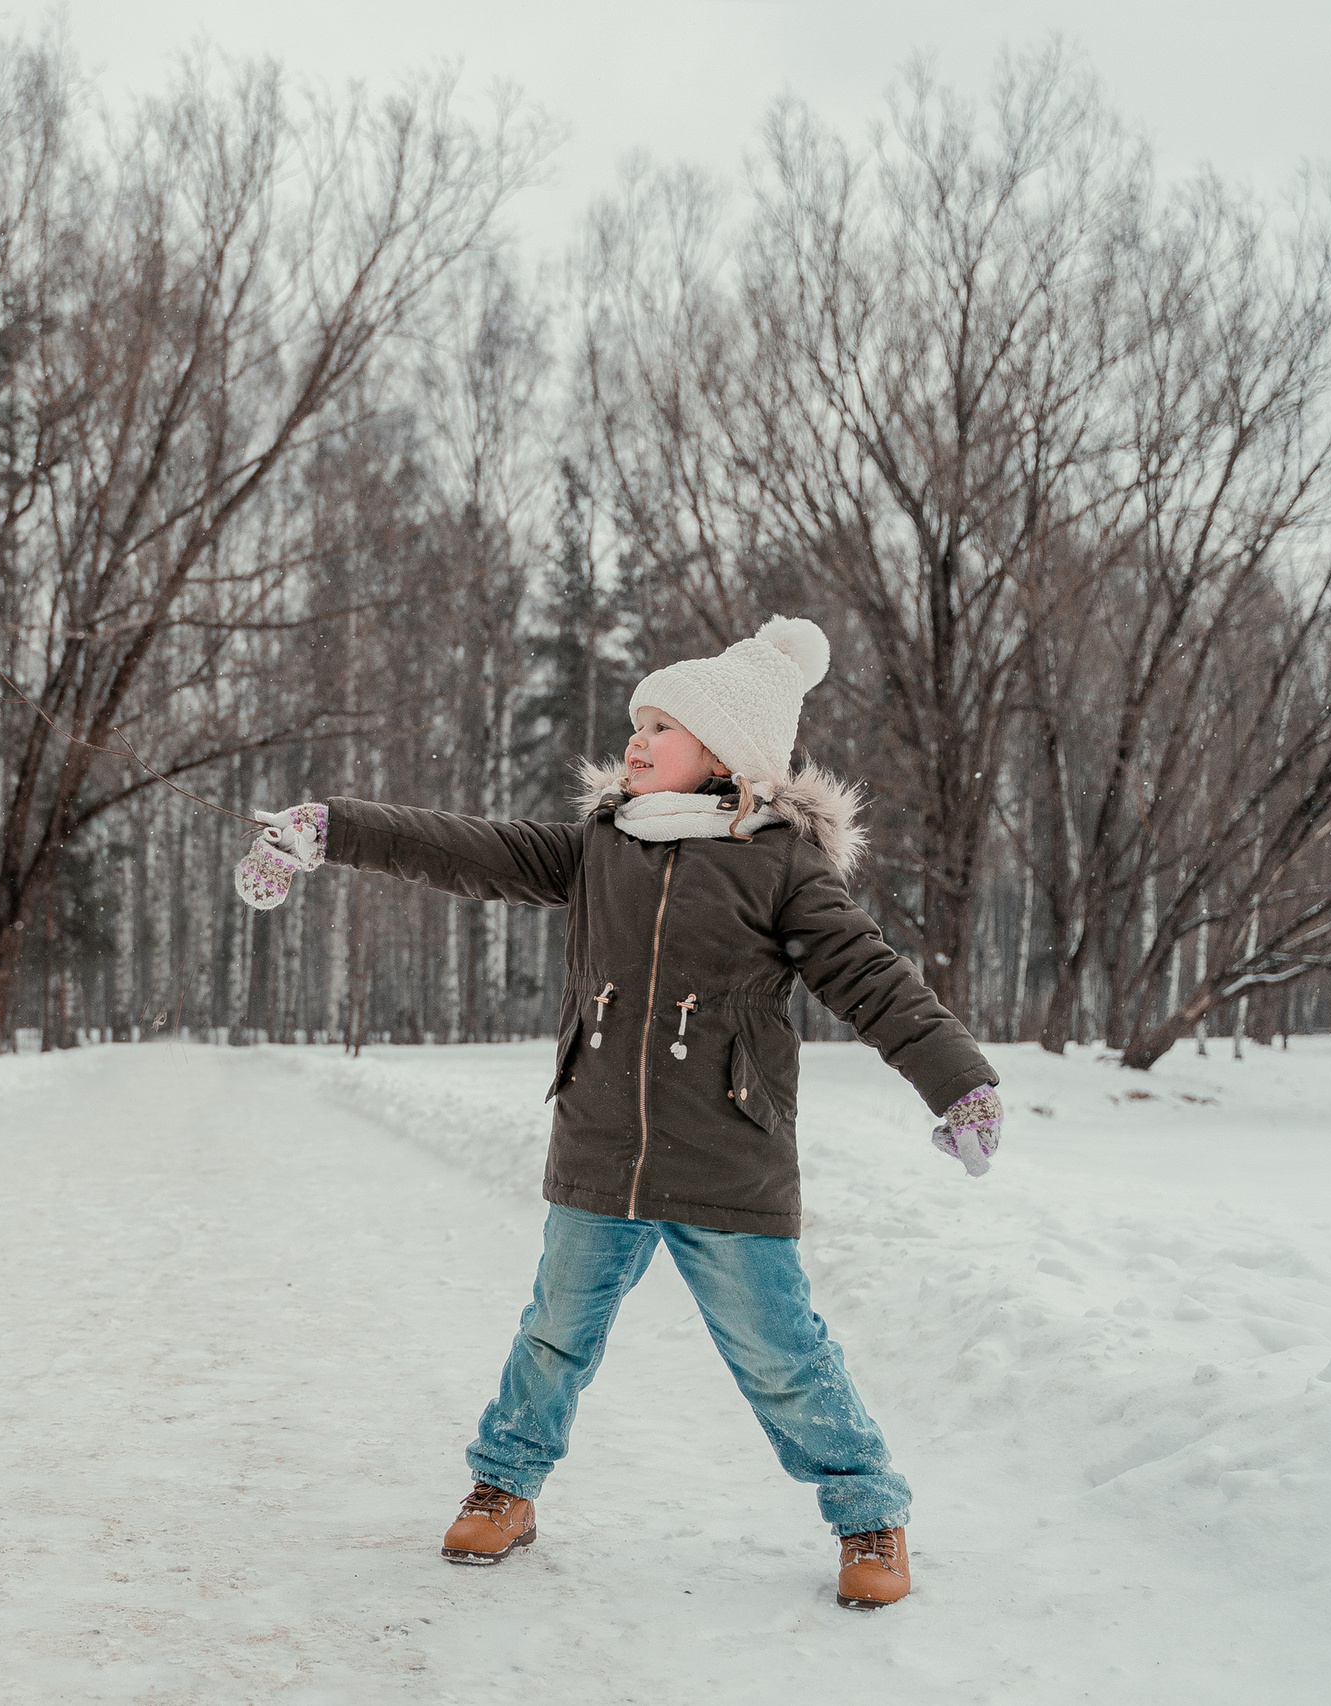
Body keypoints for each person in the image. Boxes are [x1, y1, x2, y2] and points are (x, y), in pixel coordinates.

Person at [234, 616, 1003, 1608]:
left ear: (724, 755)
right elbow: (467, 848)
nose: (636, 739)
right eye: (637, 721)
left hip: (729, 1156)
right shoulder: (601, 846)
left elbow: (869, 976)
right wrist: (329, 827)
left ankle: (868, 1512)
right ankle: (505, 1485)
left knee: (780, 1353)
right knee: (554, 1330)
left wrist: (959, 1079)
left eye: (662, 725)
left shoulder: (779, 865)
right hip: (601, 1147)